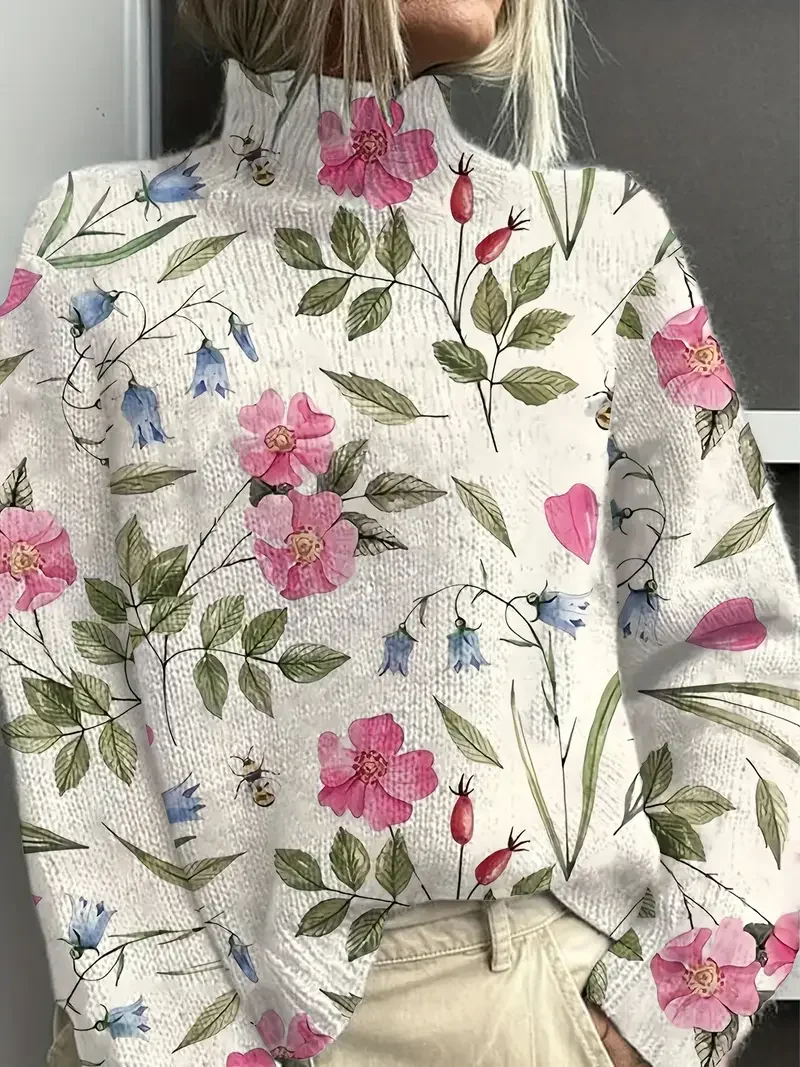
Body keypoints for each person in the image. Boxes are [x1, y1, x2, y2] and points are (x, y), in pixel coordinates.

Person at [0, 1, 797, 1065]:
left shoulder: (595, 246)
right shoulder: (95, 254)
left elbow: (738, 642)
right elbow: (65, 687)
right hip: (181, 1024)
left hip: (528, 1007)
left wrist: (652, 1019)